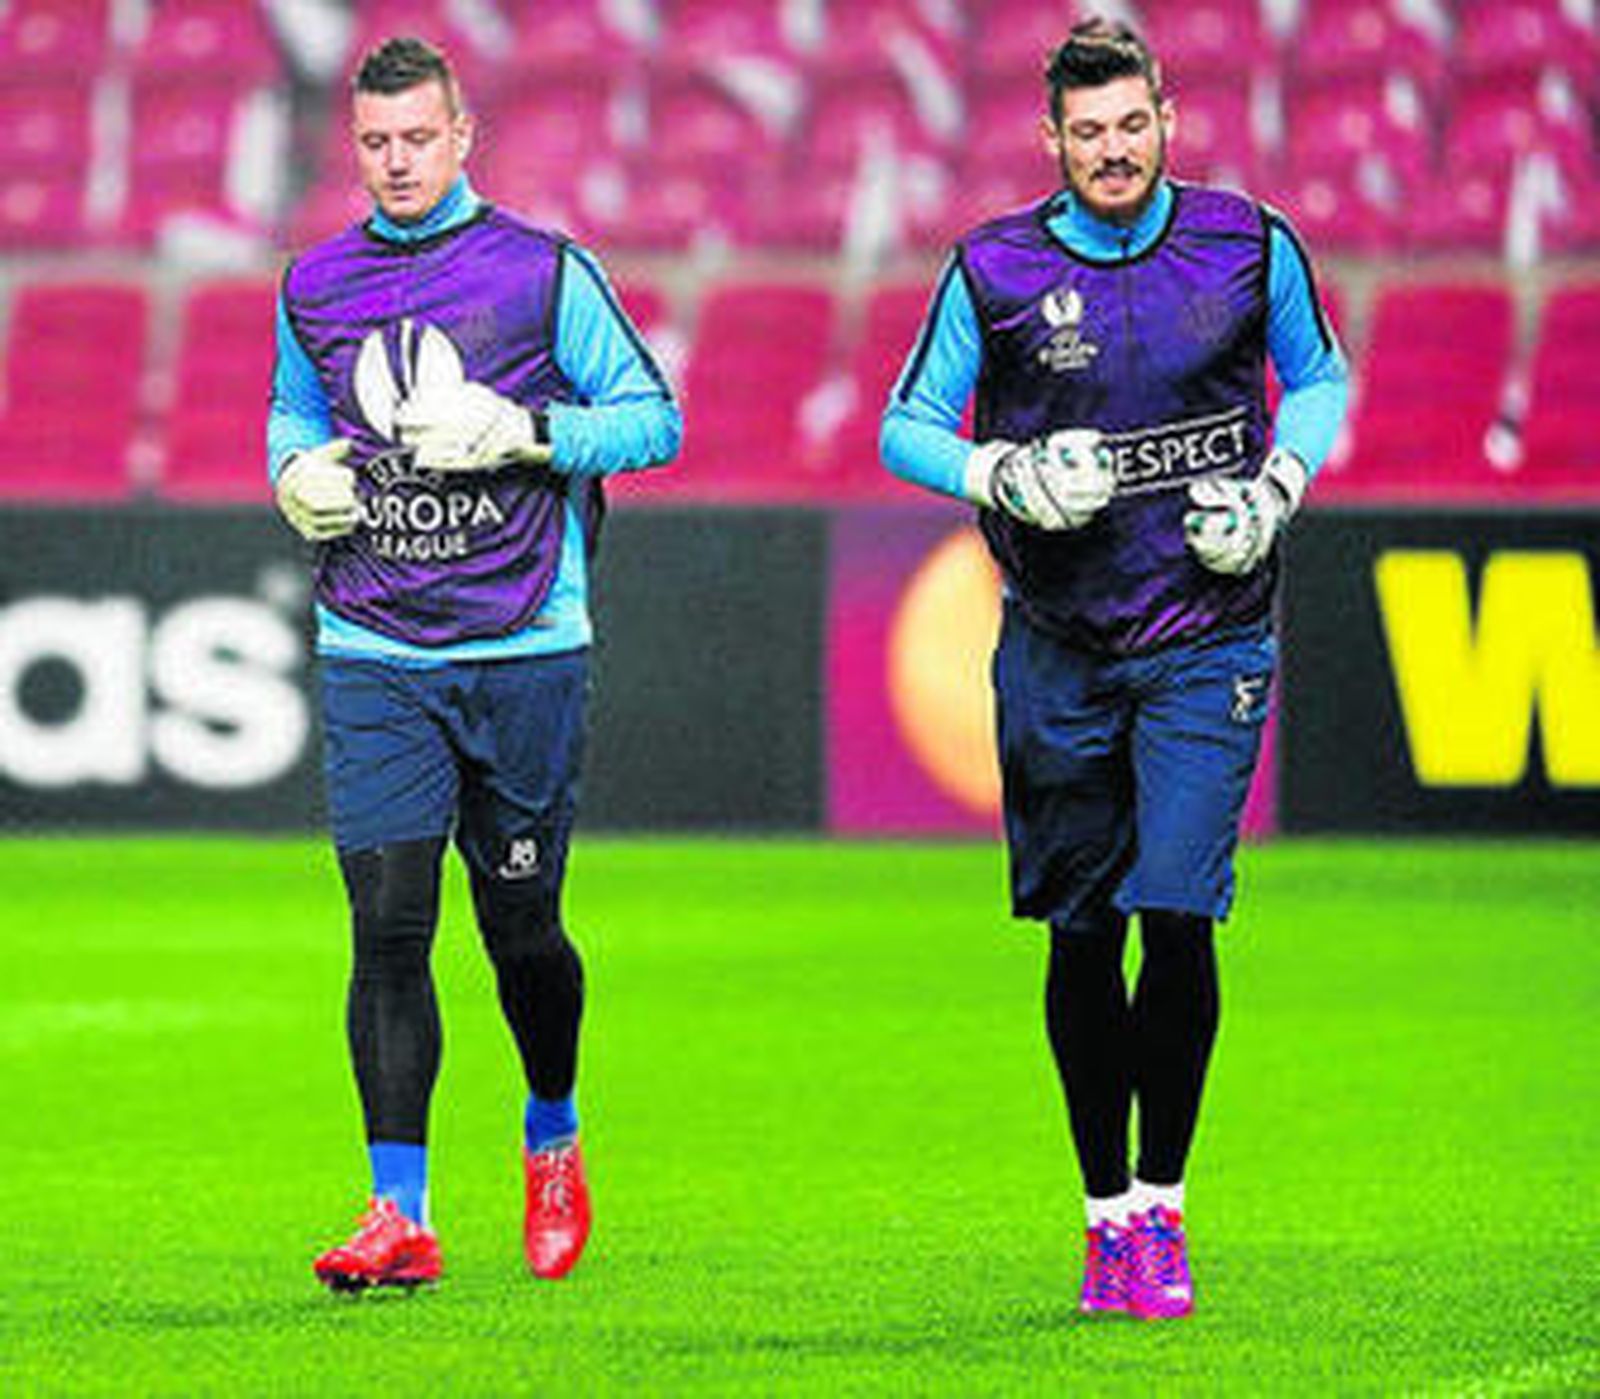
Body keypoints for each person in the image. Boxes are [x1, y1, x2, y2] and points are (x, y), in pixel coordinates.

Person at [880, 18, 1348, 1320]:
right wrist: (1003, 471)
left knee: (1179, 911)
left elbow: (1317, 377)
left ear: (1167, 118)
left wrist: (1277, 485)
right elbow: (905, 425)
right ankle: (1100, 1215)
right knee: (1082, 935)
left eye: (1131, 124)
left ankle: (1161, 1206)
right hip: (1060, 645)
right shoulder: (997, 267)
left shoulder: (1247, 243)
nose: (1112, 149)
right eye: (1087, 132)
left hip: (1208, 635)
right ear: (1054, 140)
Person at [268, 36, 681, 1293]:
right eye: (376, 143)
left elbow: (653, 418)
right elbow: (297, 409)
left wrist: (529, 428)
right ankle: (399, 1212)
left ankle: (551, 1128)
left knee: (521, 929)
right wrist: (292, 474)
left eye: (417, 139)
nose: (396, 162)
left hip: (523, 646)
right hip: (374, 644)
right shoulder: (316, 284)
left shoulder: (543, 272)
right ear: (359, 146)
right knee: (388, 927)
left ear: (462, 139)